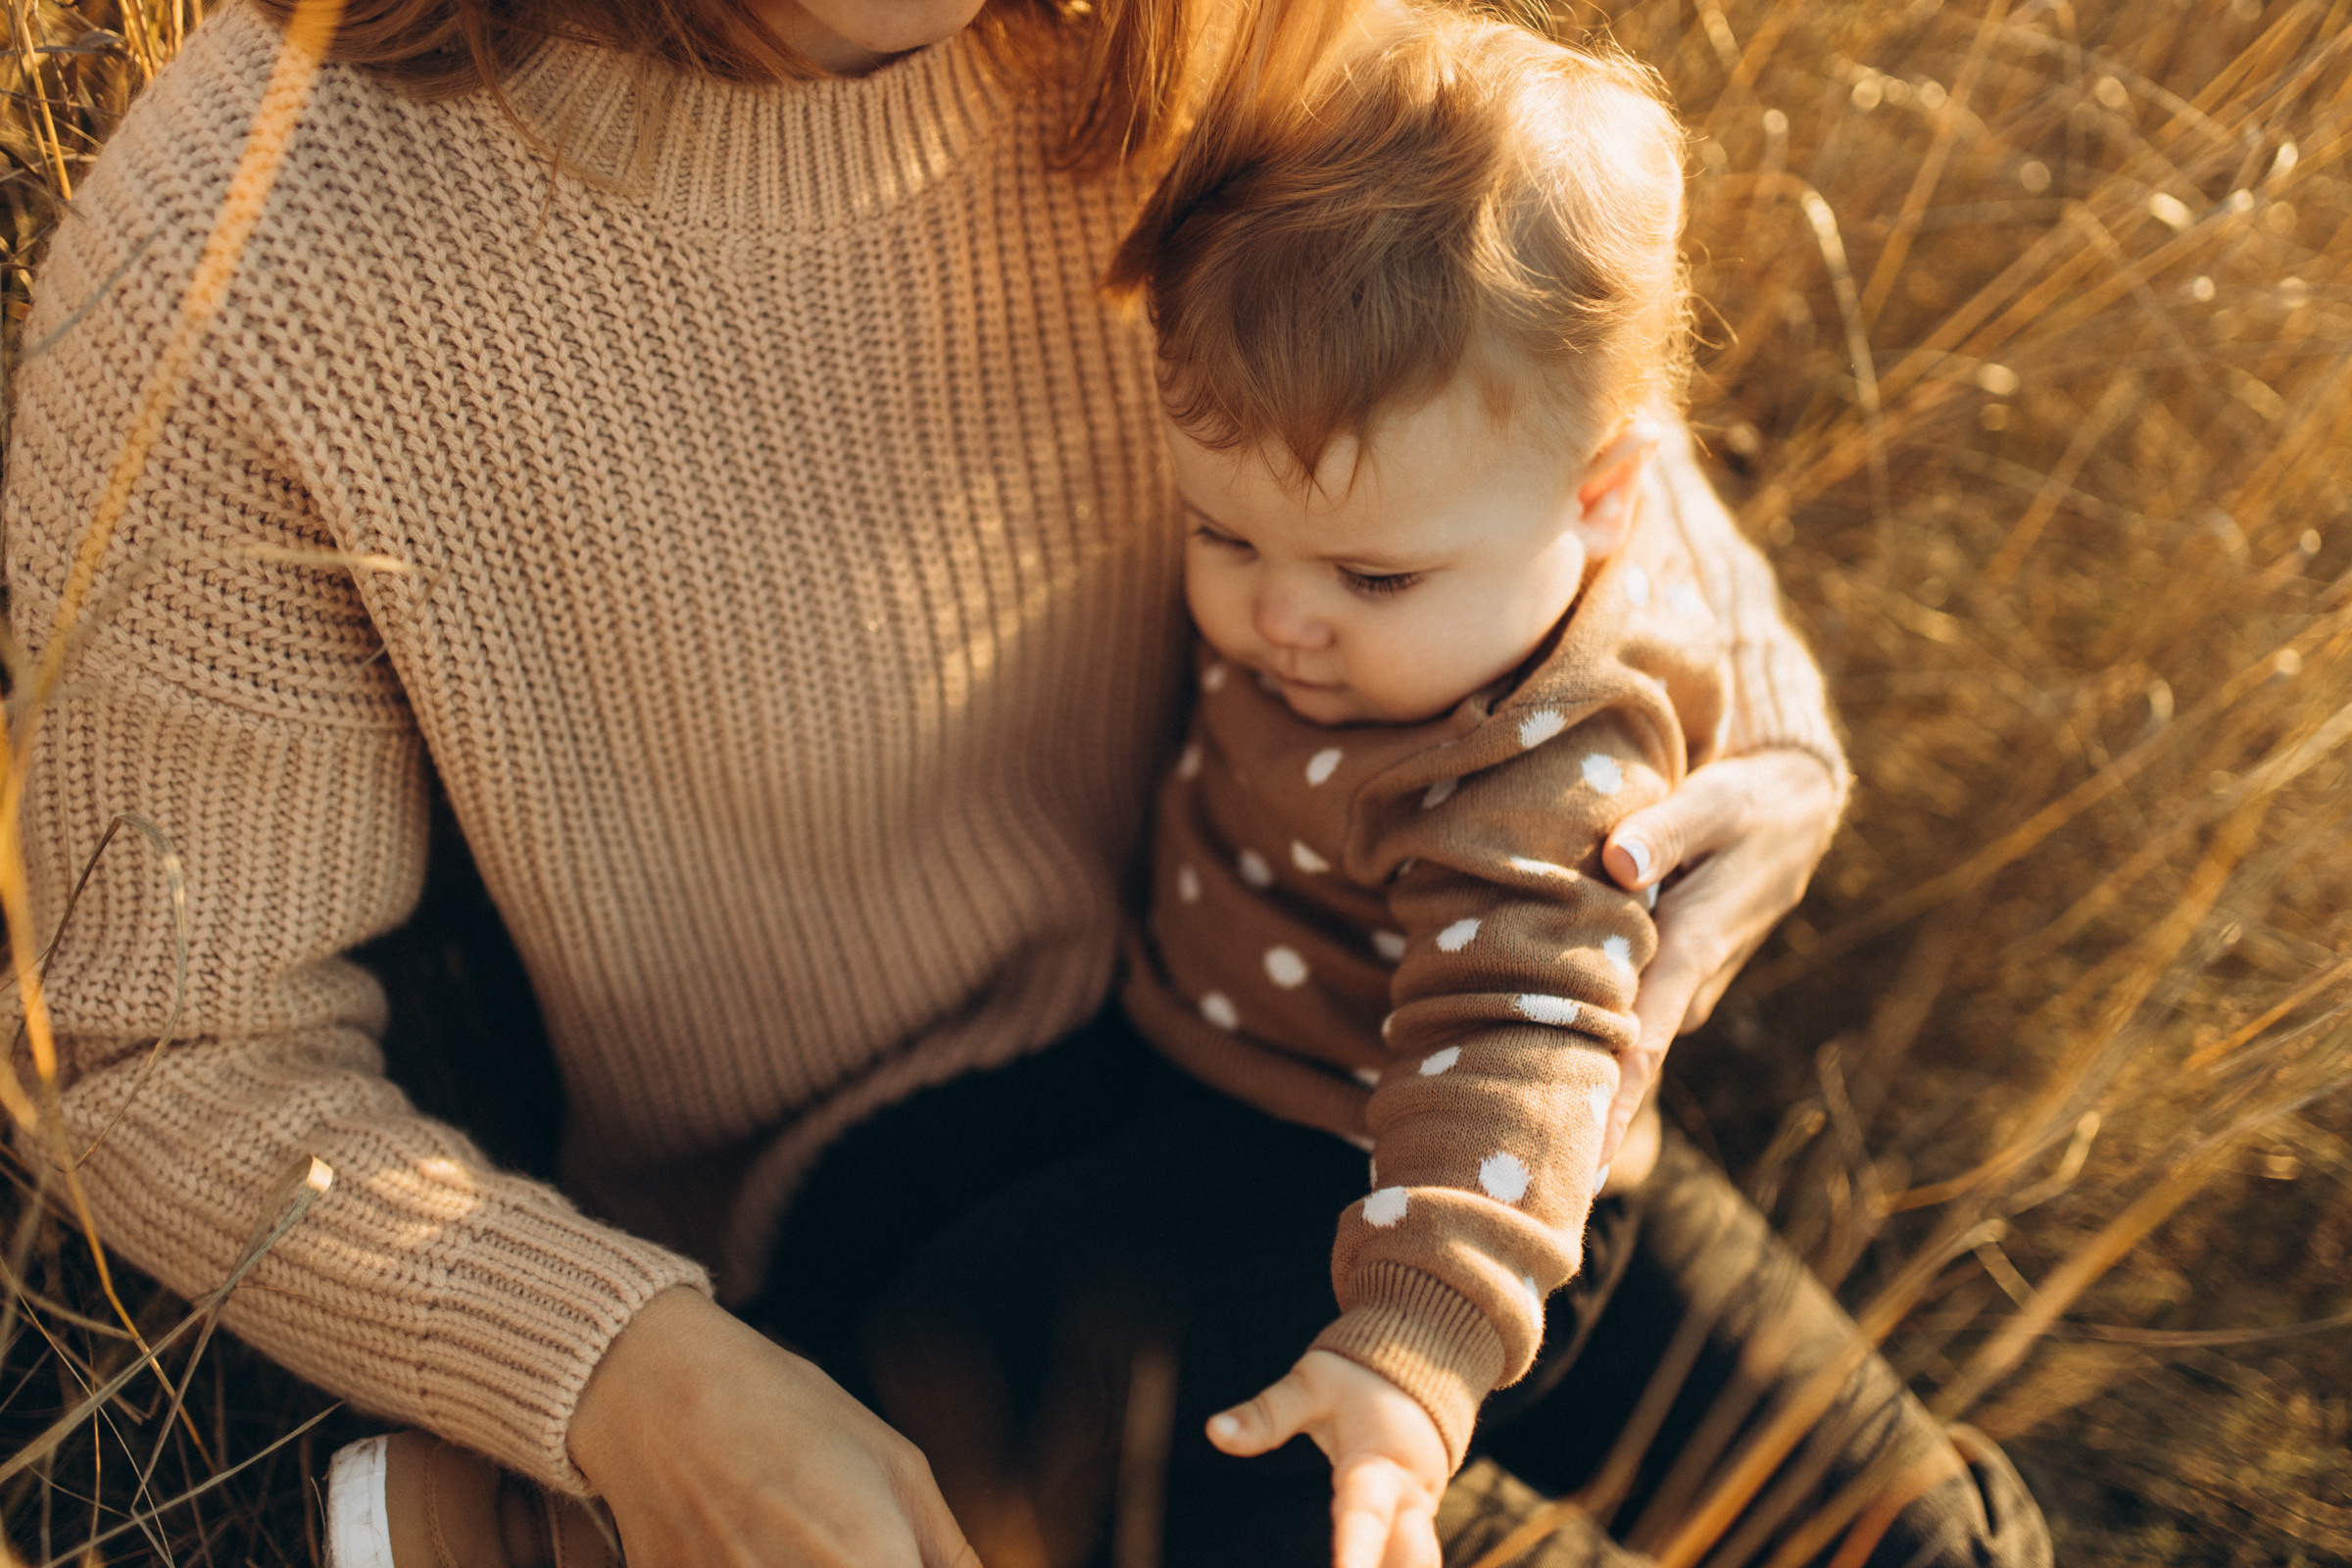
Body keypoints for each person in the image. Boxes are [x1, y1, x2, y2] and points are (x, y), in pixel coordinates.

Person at [0, 0, 1990, 1554]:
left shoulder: (1203, 41)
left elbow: (1534, 396)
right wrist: (628, 1375)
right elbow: (180, 1044)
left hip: (1391, 1039)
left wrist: (1760, 730)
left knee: (1939, 1537)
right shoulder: (250, 255)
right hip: (909, 1207)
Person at [1109, 6, 1730, 1554]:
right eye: (1224, 535)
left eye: (1376, 578)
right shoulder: (1374, 580)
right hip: (1215, 1080)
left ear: (1598, 506)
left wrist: (1414, 1342)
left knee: (1212, 1466)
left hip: (1434, 1189)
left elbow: (1515, 1031)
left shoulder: (1549, 760)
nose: (1281, 617)